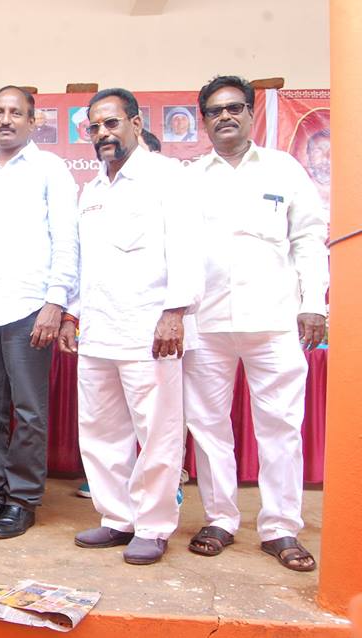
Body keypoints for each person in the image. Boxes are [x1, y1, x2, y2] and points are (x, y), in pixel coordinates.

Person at [183, 75, 328, 572]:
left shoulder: (283, 169)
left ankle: (281, 527)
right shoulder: (189, 178)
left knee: (281, 426)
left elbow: (308, 238)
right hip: (206, 321)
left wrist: (314, 303)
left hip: (274, 319)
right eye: (215, 110)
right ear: (203, 121)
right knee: (207, 426)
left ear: (250, 114)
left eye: (234, 108)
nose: (225, 116)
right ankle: (220, 518)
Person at [59, 88, 203, 565]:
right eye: (94, 127)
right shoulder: (92, 189)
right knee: (100, 431)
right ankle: (117, 518)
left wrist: (175, 313)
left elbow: (188, 248)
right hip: (98, 330)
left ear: (136, 124)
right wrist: (72, 313)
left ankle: (153, 525)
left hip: (149, 330)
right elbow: (84, 262)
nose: (102, 133)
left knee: (158, 431)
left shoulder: (168, 176)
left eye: (112, 123)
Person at [0, 85, 79, 539]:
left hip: (29, 307)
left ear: (32, 121)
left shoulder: (50, 169)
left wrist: (56, 303)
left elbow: (66, 239)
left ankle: (22, 499)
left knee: (28, 410)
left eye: (15, 112)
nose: (6, 120)